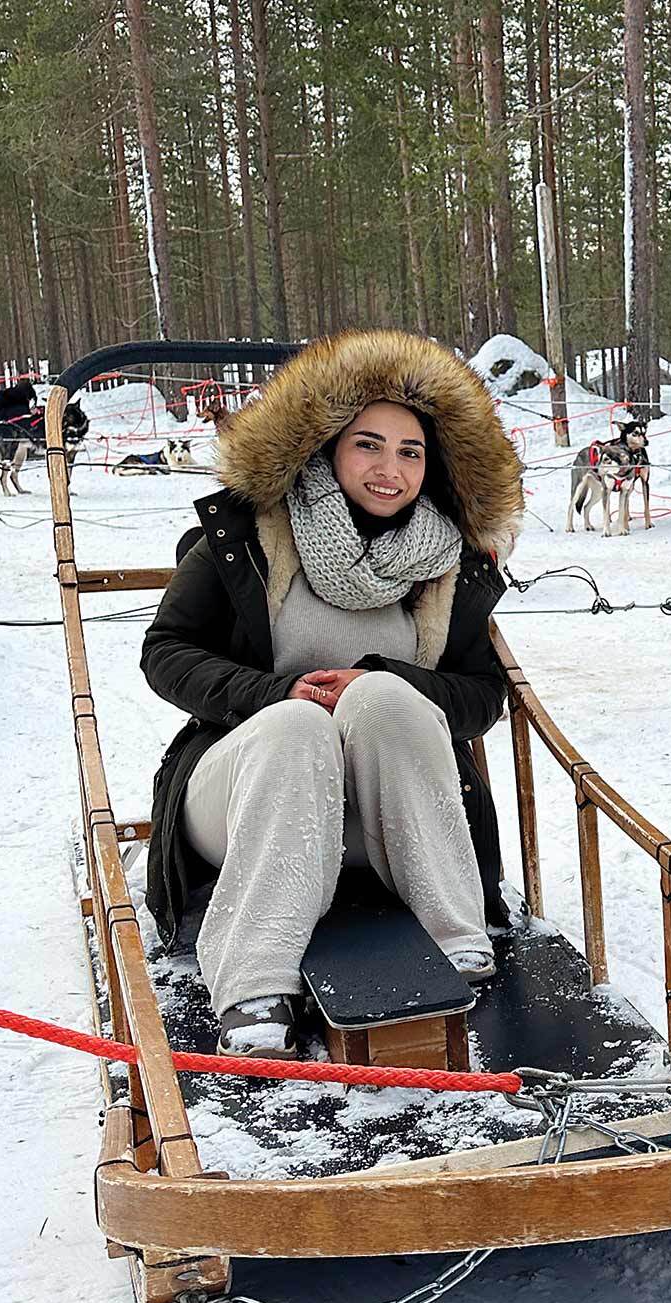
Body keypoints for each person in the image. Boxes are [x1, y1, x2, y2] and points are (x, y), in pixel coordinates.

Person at [141, 330, 524, 1059]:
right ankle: (255, 980)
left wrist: (383, 679)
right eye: (368, 445)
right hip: (247, 797)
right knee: (298, 728)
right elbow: (166, 652)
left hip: (390, 818)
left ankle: (458, 936)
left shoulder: (450, 562)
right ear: (326, 448)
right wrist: (277, 692)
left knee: (385, 700)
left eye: (410, 451)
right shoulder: (248, 535)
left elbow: (481, 694)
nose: (391, 468)